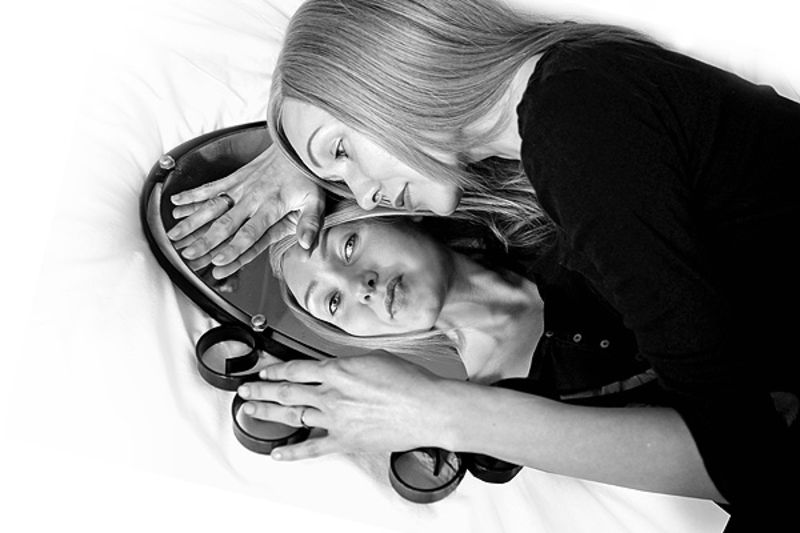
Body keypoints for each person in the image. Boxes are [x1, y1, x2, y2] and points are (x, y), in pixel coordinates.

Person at [168, 0, 799, 529]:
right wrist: (303, 151)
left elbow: (749, 458)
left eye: (342, 152)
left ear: (383, 79)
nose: (364, 195)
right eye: (338, 180)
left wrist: (438, 413)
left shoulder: (575, 118)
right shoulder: (553, 134)